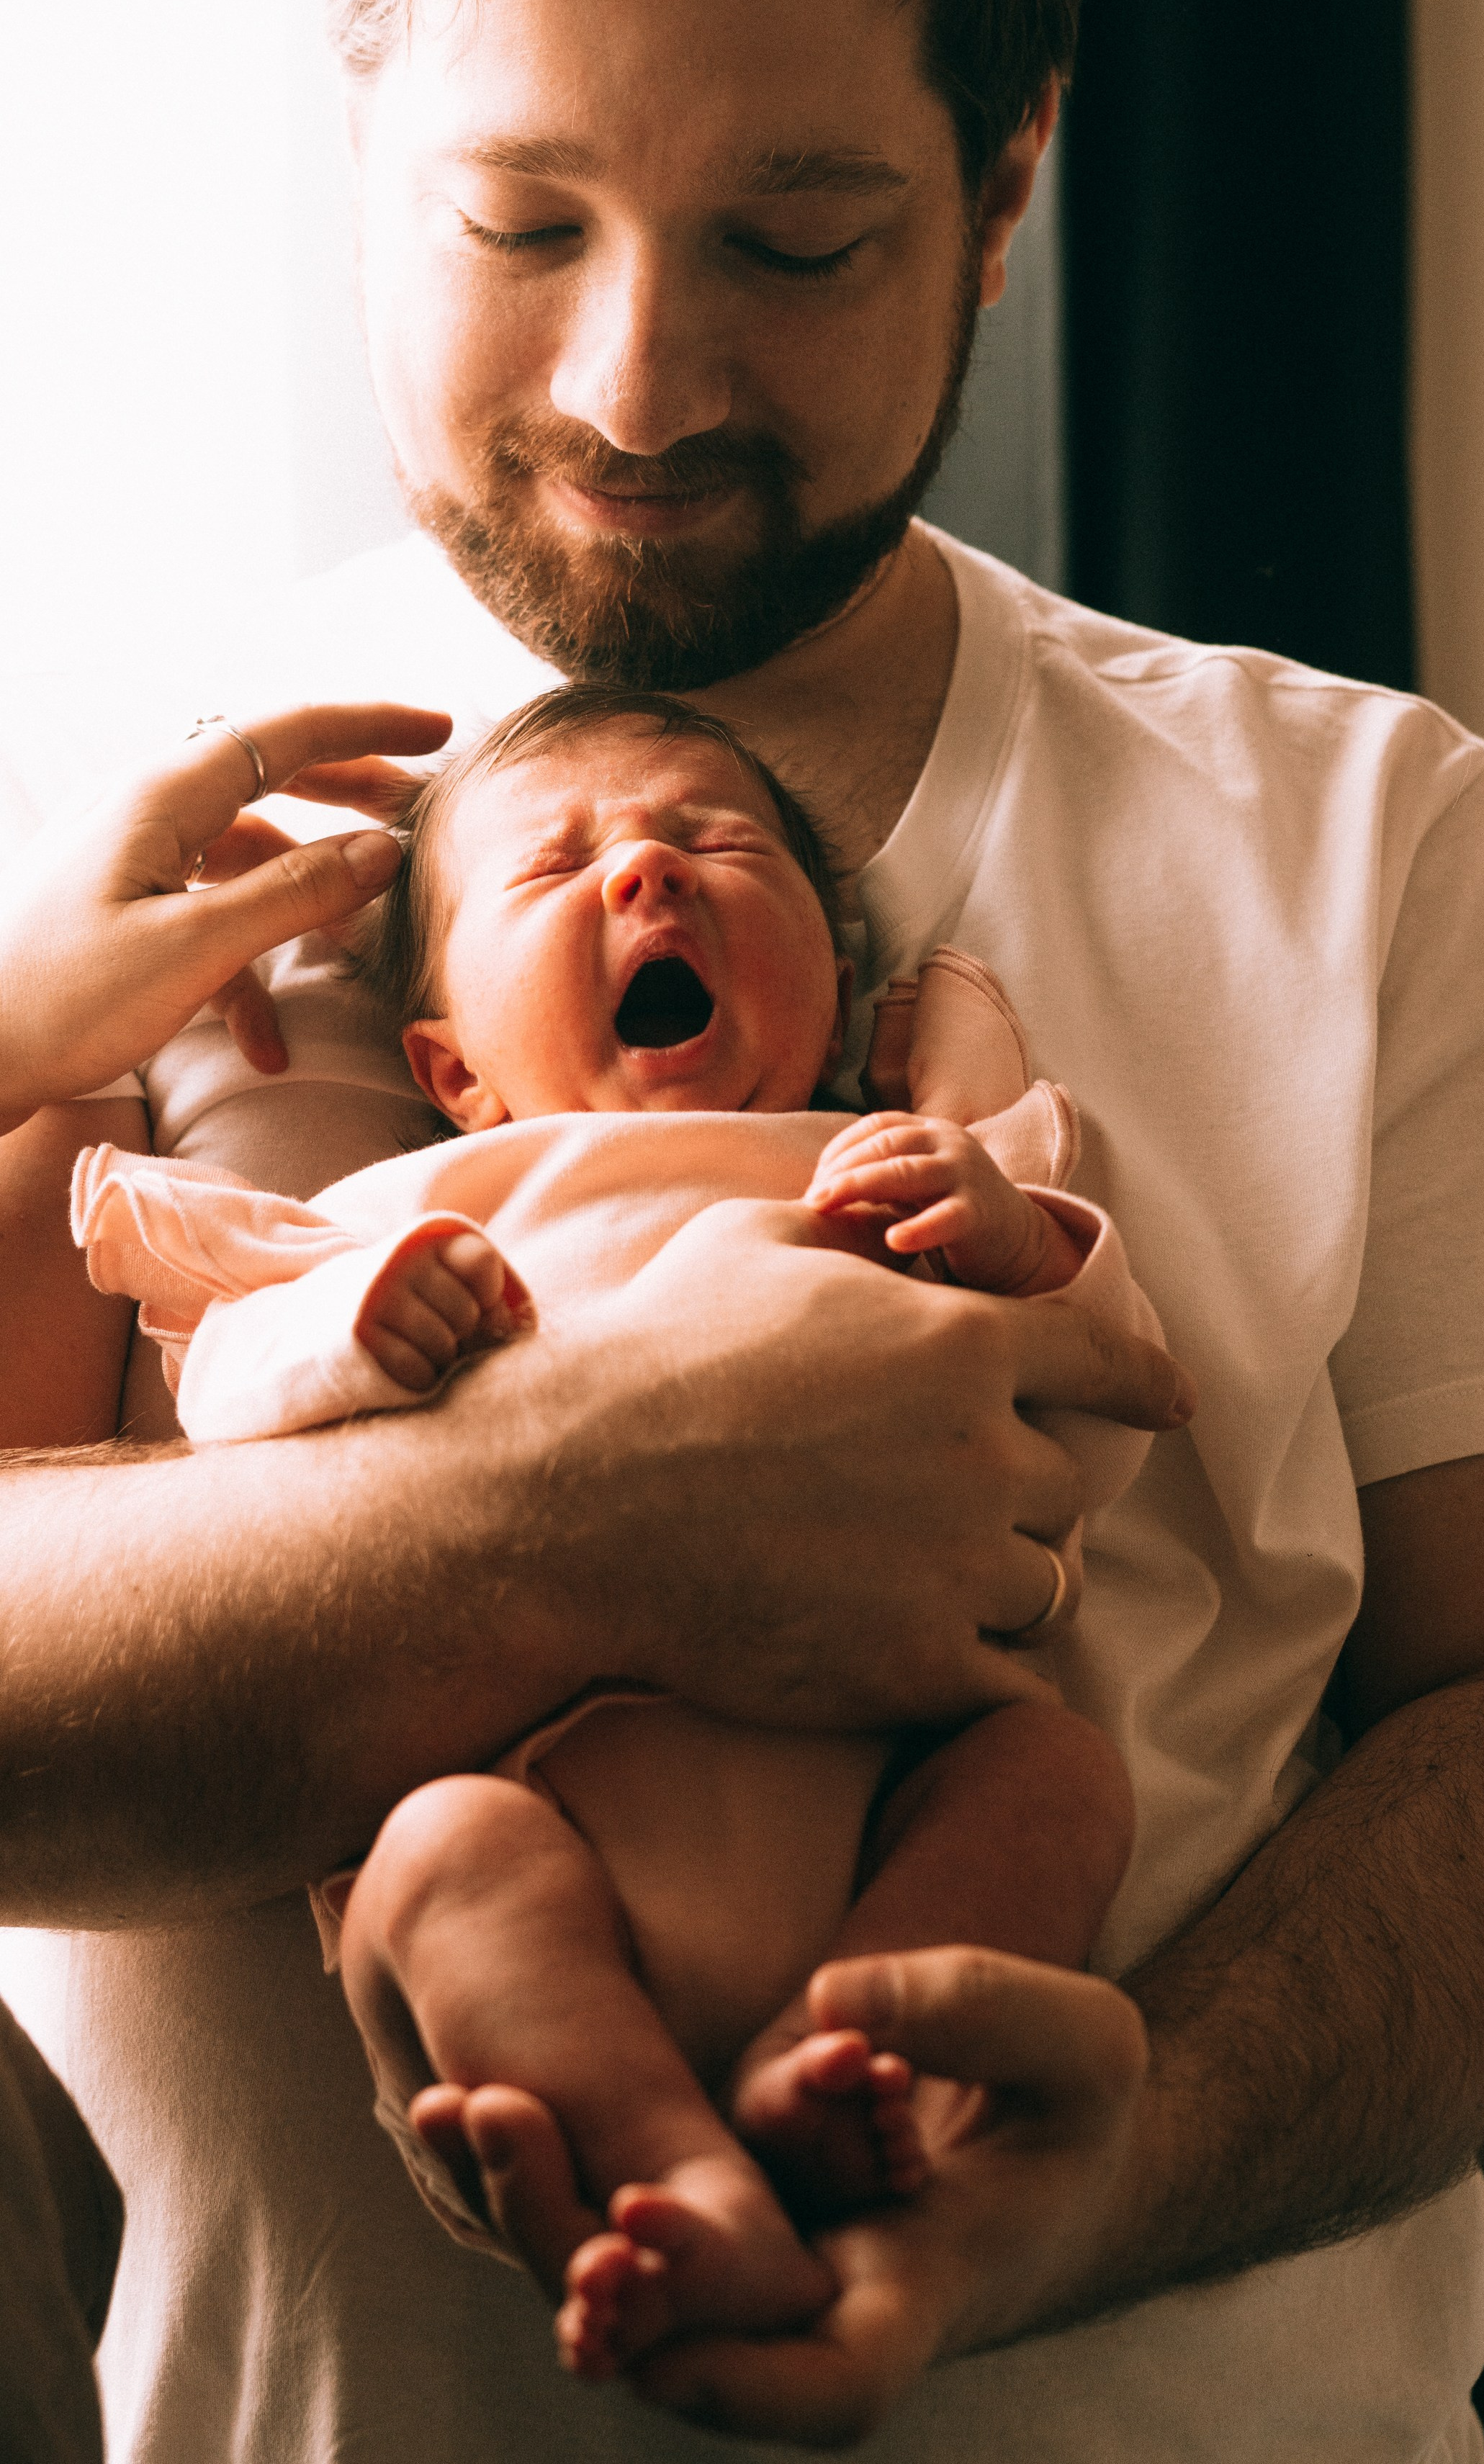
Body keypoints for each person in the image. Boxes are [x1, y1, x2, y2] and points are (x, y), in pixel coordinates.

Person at [0, 0, 1484, 2464]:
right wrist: (565, 1520)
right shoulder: (128, 885)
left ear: (1008, 177)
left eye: (794, 236)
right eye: (514, 219)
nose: (639, 374)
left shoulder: (1361, 833)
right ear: (353, 152)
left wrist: (1119, 2157)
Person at [68, 683, 1164, 2380]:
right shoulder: (419, 1206)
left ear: (839, 996)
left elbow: (1103, 1405)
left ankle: (847, 2042)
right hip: (537, 1808)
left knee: (1058, 1778)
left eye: (716, 837)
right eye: (552, 865)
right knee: (435, 1857)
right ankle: (666, 2163)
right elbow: (231, 1399)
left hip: (884, 1771)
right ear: (451, 1072)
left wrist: (1015, 1240)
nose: (647, 864)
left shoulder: (871, 1167)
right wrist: (365, 1326)